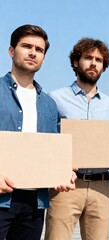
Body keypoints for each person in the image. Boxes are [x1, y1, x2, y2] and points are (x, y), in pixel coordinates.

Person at [44, 38, 109, 240]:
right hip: (66, 185)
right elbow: (47, 140)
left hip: (102, 187)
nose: (93, 63)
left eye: (99, 60)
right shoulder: (55, 98)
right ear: (76, 62)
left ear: (103, 66)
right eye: (88, 58)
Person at [0, 24, 76, 240]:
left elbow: (51, 150)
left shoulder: (49, 104)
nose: (33, 52)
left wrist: (63, 172)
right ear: (11, 50)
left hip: (35, 202)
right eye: (26, 46)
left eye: (39, 49)